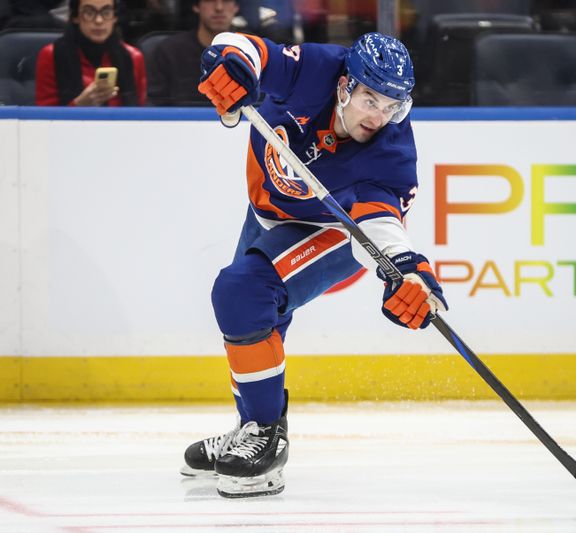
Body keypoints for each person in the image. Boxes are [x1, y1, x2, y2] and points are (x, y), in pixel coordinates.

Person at [179, 31, 447, 498]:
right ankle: (251, 428)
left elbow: (381, 224)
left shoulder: (391, 153)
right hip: (268, 214)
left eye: (391, 106)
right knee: (258, 320)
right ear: (345, 85)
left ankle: (265, 434)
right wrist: (232, 64)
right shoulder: (317, 69)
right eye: (370, 100)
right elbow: (246, 50)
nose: (379, 117)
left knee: (241, 291)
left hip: (335, 232)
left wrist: (408, 274)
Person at [35, 0, 146, 106]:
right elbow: (44, 120)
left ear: (115, 17)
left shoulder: (133, 57)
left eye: (106, 12)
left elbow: (140, 117)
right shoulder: (51, 55)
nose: (99, 20)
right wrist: (79, 105)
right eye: (89, 12)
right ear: (75, 17)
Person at [147, 0, 238, 106]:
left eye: (226, 1)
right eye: (210, 1)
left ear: (236, 7)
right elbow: (156, 107)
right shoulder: (169, 51)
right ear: (196, 6)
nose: (219, 8)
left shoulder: (252, 52)